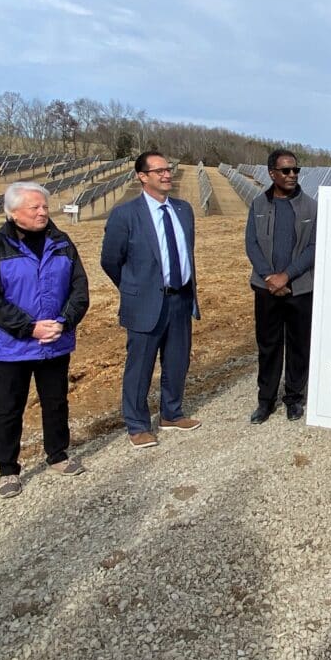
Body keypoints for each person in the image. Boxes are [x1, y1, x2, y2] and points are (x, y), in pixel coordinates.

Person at [0, 182, 89, 498]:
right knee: (10, 407)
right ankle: (8, 469)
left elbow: (79, 289)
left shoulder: (61, 242)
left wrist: (63, 323)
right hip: (13, 345)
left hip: (55, 340)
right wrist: (29, 328)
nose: (42, 212)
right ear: (12, 213)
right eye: (34, 207)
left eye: (45, 207)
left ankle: (58, 454)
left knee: (56, 400)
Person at [101, 151, 201, 448]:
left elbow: (185, 253)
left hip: (181, 299)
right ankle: (137, 424)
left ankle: (171, 413)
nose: (166, 174)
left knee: (177, 361)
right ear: (142, 176)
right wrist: (133, 287)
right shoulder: (126, 214)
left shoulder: (183, 210)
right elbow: (110, 260)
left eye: (167, 169)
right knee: (140, 366)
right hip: (145, 302)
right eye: (158, 171)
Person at [245, 149, 317, 423]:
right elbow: (251, 243)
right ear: (272, 173)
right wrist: (269, 277)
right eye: (286, 170)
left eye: (295, 170)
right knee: (268, 345)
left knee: (298, 345)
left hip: (299, 288)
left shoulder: (310, 206)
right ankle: (266, 401)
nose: (292, 175)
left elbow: (313, 246)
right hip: (266, 288)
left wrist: (286, 276)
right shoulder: (258, 205)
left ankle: (294, 398)